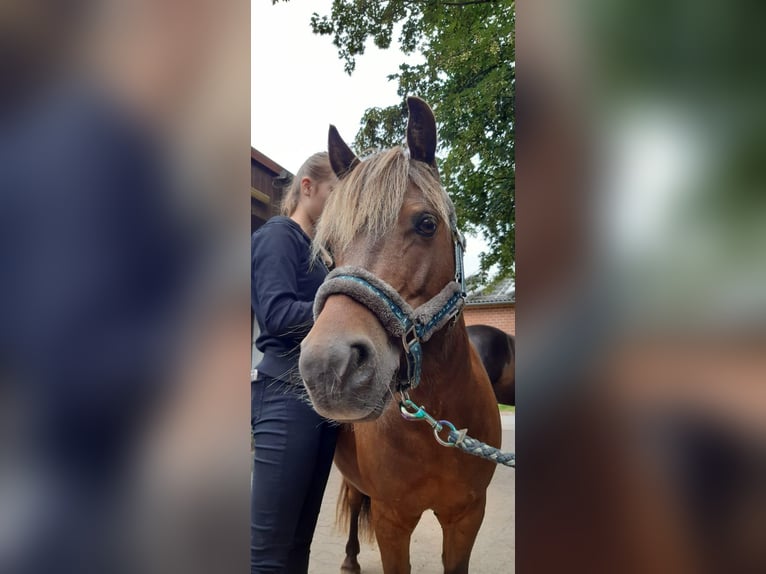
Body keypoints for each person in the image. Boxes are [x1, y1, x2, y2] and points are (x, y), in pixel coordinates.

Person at [250, 152, 339, 573]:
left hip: (320, 400)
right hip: (283, 393)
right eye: (334, 193)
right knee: (268, 552)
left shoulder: (321, 254)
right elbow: (277, 314)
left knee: (299, 543)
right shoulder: (278, 236)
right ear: (307, 188)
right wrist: (340, 308)